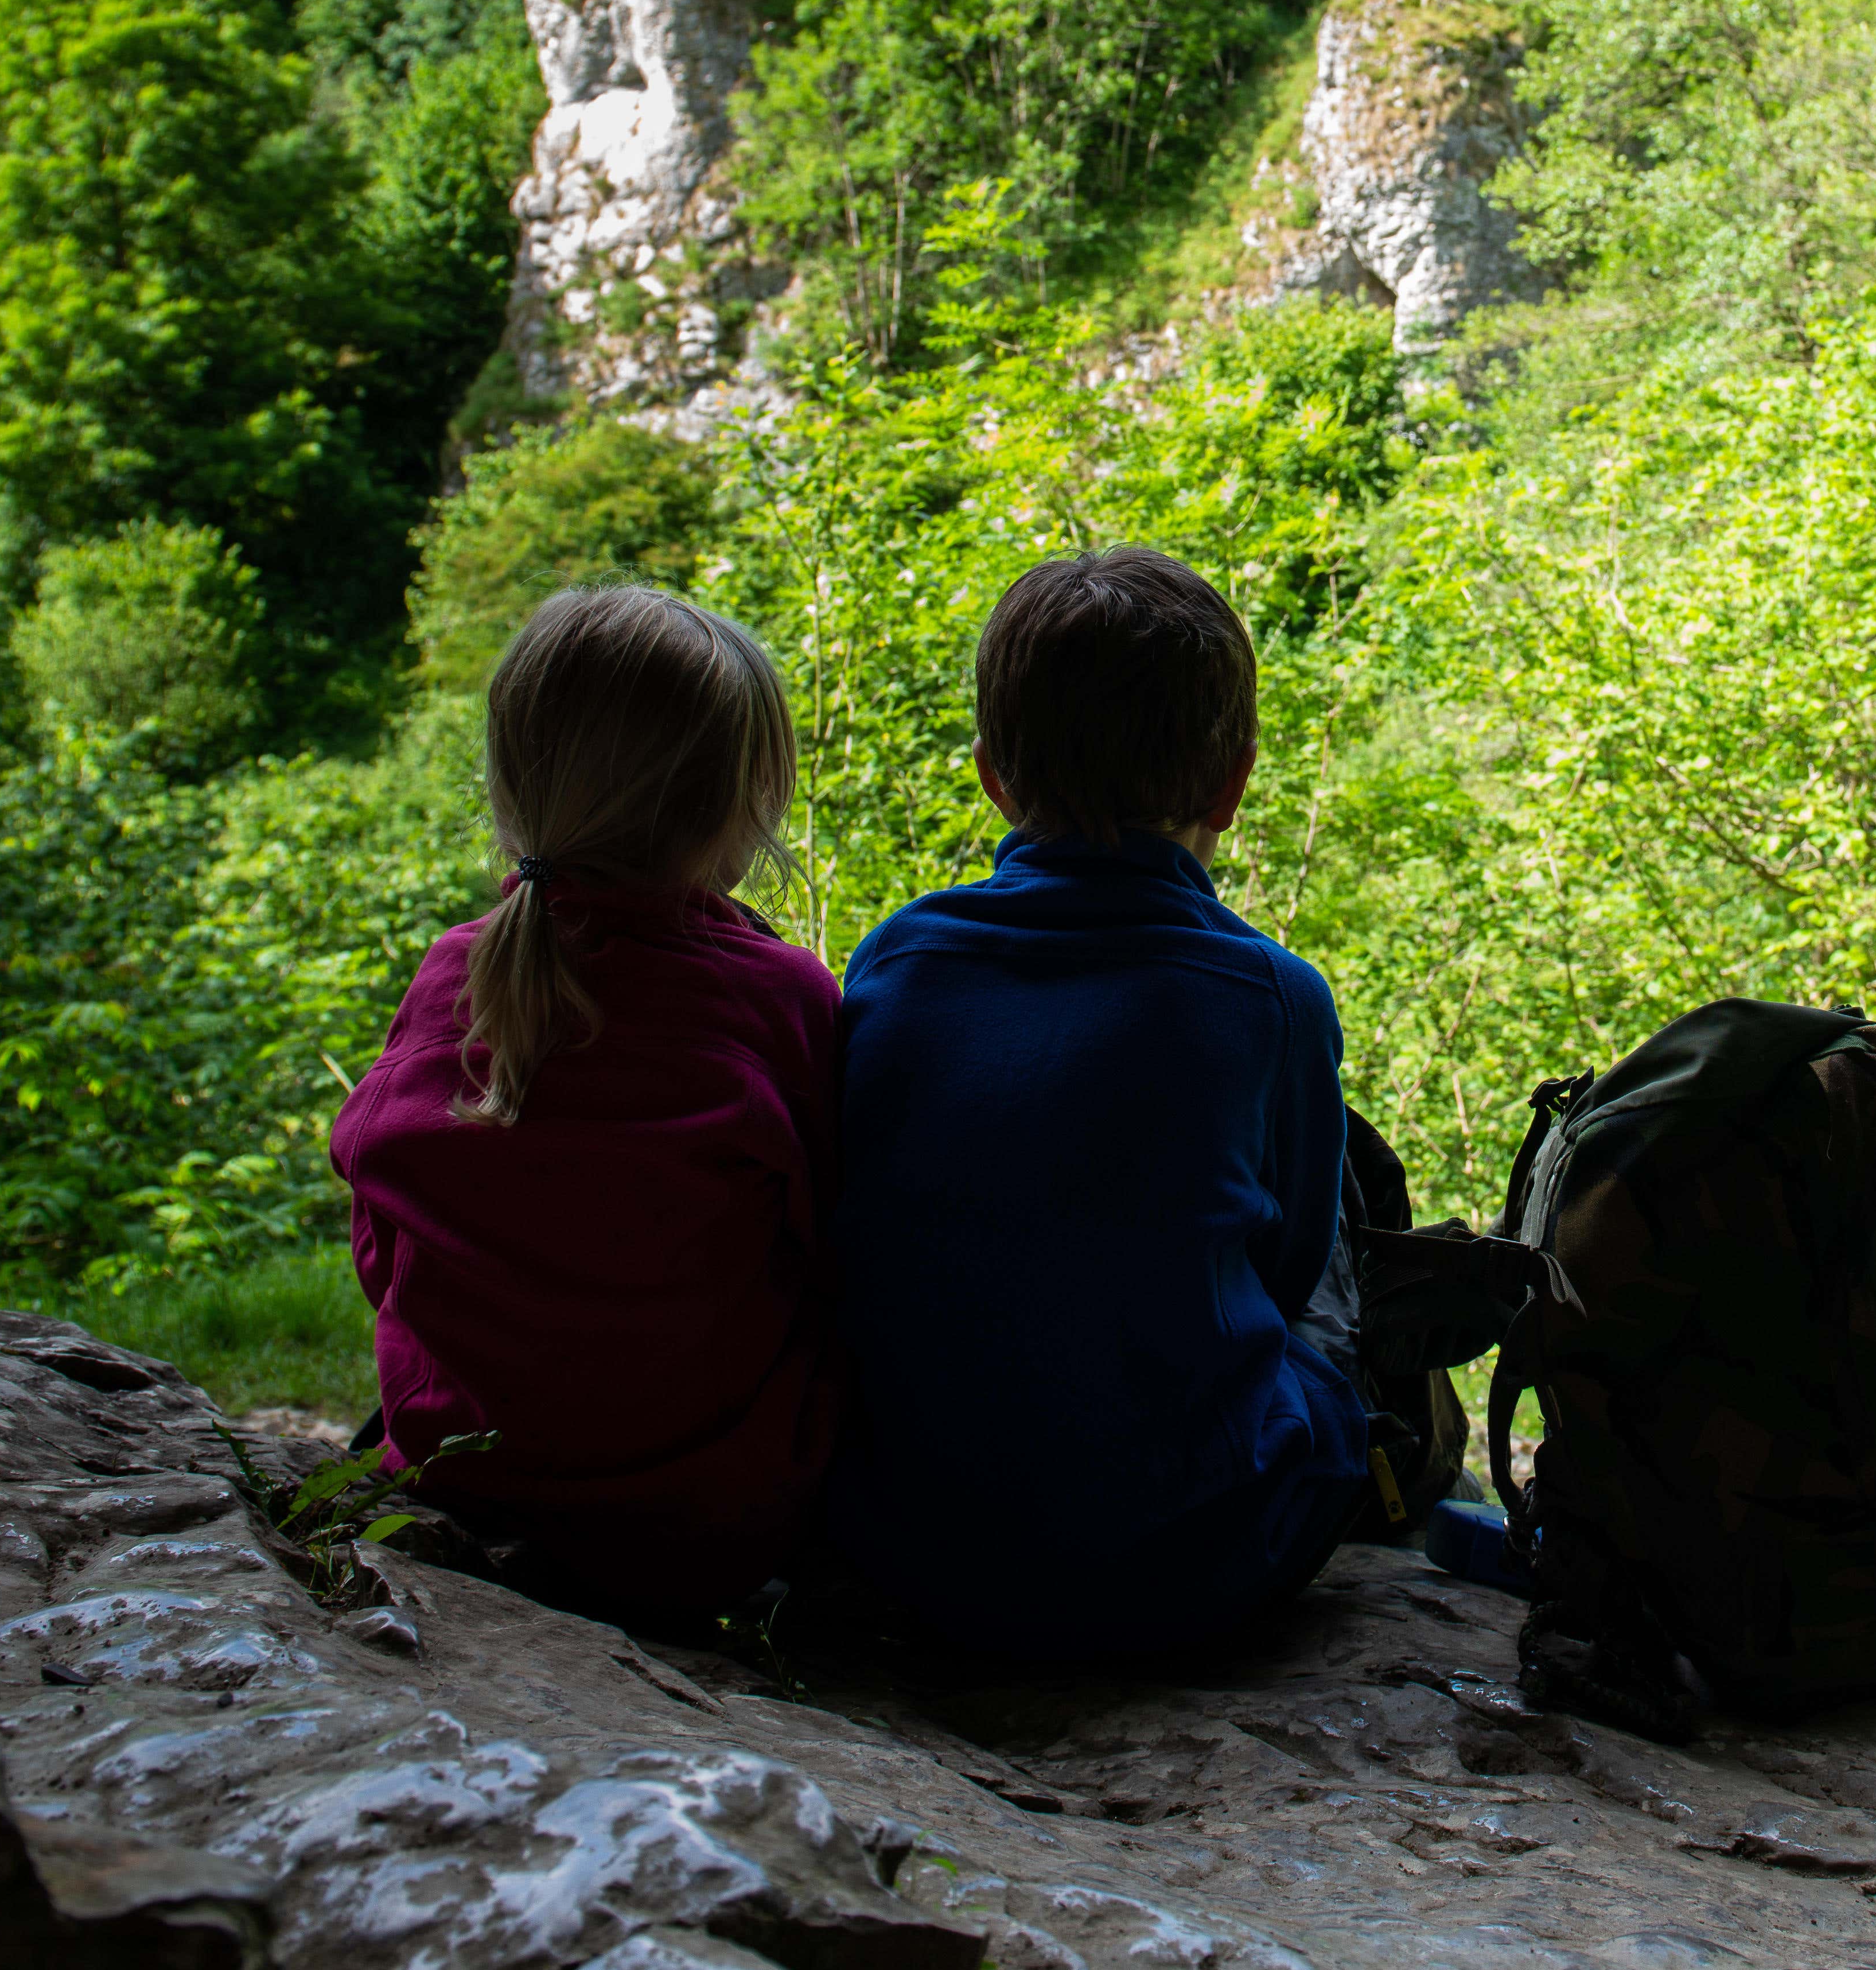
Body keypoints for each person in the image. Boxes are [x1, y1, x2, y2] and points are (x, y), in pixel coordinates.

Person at [824, 547, 1373, 1661]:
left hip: (906, 1557)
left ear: (991, 776)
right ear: (1233, 783)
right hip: (1181, 1573)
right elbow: (1283, 1266)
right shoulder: (1274, 996)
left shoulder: (894, 959)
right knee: (1330, 1329)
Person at [330, 585, 838, 1624]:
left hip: (458, 1480)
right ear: (735, 814)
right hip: (706, 1535)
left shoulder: (455, 977)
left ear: (518, 788)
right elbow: (832, 1252)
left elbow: (383, 1251)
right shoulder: (780, 996)